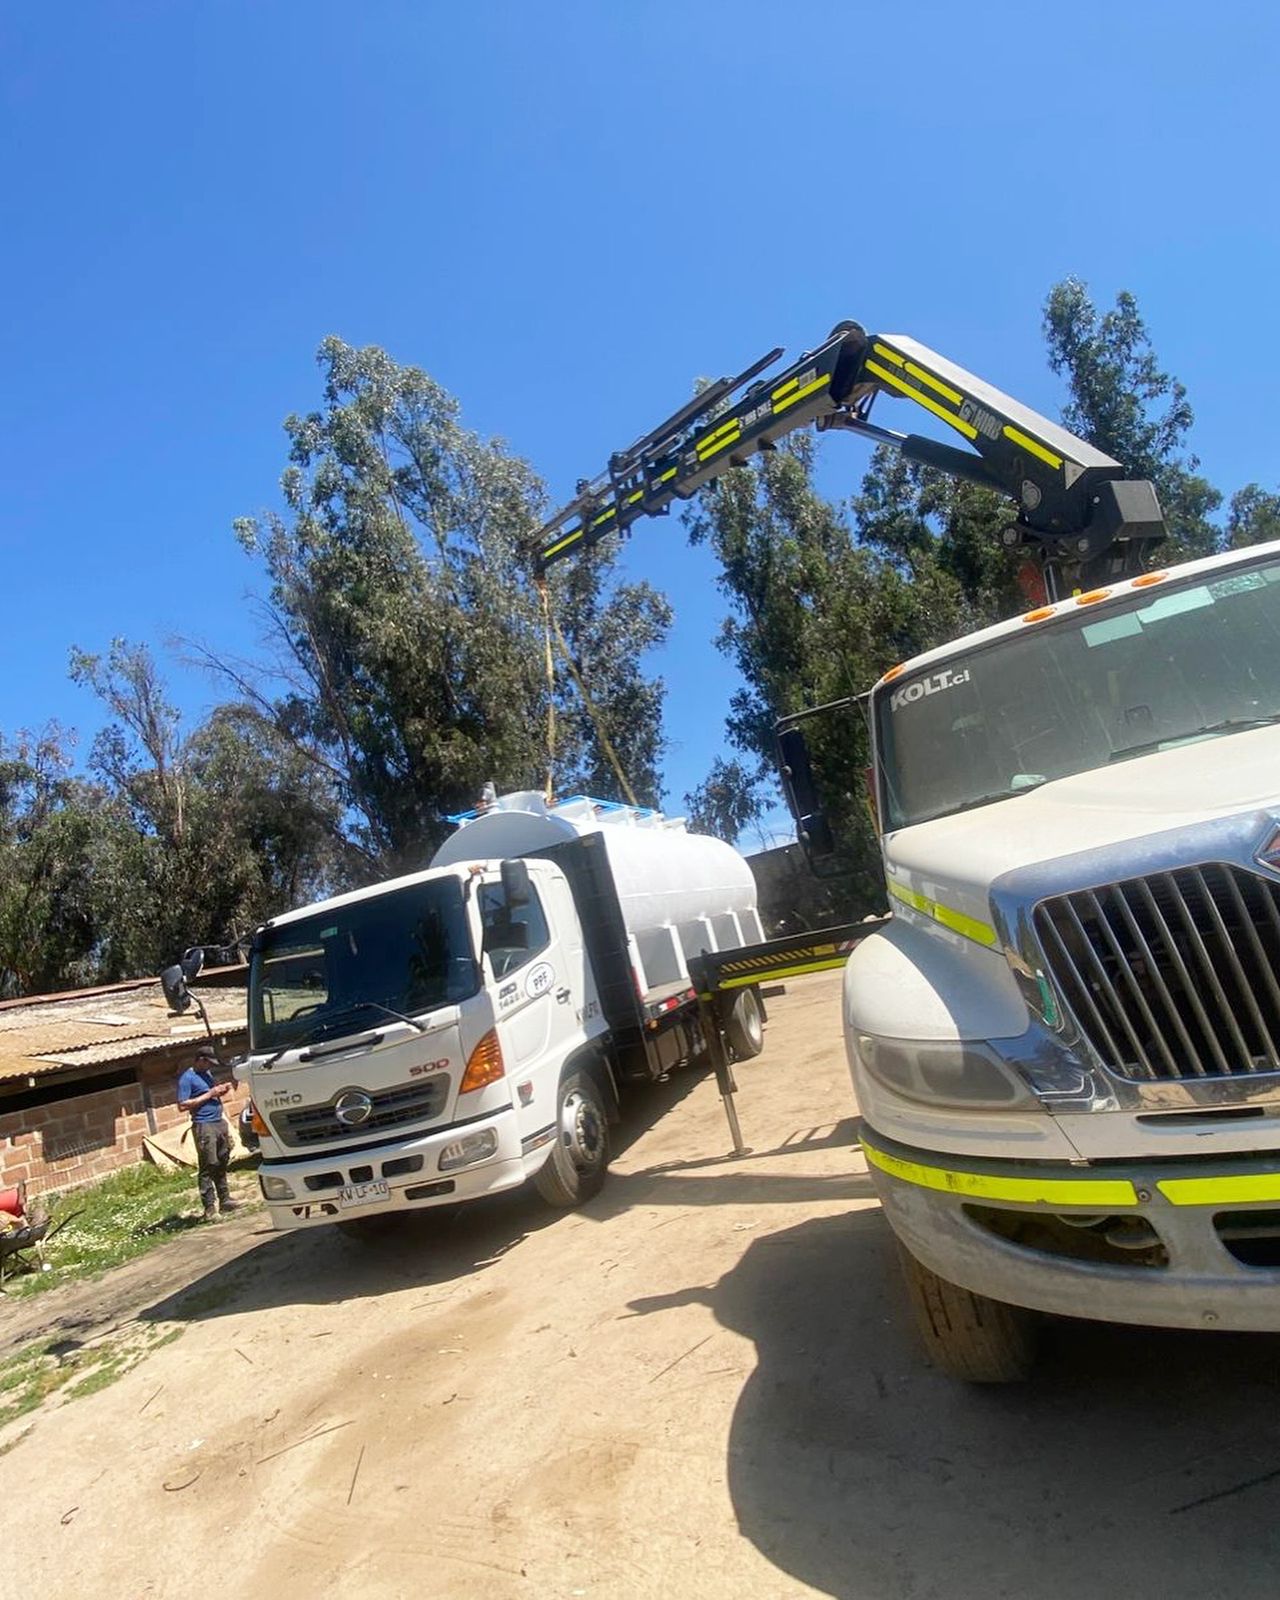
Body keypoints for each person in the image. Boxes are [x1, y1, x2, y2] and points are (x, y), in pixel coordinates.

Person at [176, 1043, 239, 1221]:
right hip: (204, 1125)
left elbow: (210, 1094)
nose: (211, 1066)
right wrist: (210, 1094)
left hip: (218, 1121)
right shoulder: (187, 1078)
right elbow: (182, 1105)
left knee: (222, 1159)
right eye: (208, 1062)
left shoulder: (207, 1074)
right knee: (208, 1164)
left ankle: (225, 1199)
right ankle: (209, 1207)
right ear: (200, 1060)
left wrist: (220, 1091)